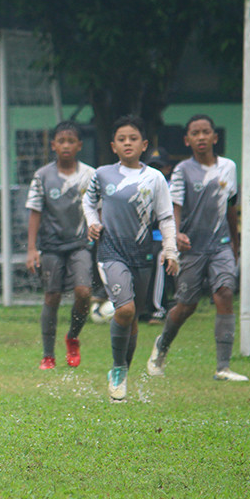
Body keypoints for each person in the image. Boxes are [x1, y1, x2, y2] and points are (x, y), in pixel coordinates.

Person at [83, 114, 179, 403]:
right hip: (111, 251)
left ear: (144, 144)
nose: (127, 143)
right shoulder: (101, 175)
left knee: (133, 316)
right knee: (124, 310)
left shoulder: (155, 178)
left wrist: (171, 251)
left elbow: (165, 216)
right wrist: (91, 222)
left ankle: (124, 370)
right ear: (113, 145)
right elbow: (88, 201)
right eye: (122, 139)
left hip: (143, 253)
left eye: (133, 139)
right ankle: (117, 369)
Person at [146, 114, 248, 382]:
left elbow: (231, 207)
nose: (201, 137)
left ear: (215, 137)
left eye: (206, 132)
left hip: (221, 245)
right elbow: (174, 207)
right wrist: (176, 234)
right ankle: (161, 346)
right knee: (186, 305)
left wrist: (235, 244)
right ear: (187, 140)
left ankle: (223, 367)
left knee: (224, 293)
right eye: (195, 133)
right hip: (192, 247)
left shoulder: (228, 167)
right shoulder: (182, 171)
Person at [25, 120, 96, 370]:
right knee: (52, 295)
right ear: (53, 145)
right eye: (61, 141)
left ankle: (73, 337)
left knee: (83, 292)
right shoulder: (42, 176)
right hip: (52, 246)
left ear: (79, 145)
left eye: (71, 141)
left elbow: (97, 209)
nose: (66, 145)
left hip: (80, 244)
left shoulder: (90, 175)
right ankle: (48, 355)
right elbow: (35, 211)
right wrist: (32, 248)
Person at [144, 148, 174, 324]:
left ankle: (158, 309)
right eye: (152, 167)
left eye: (160, 168)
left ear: (168, 169)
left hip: (162, 237)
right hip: (144, 237)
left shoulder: (172, 188)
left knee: (159, 256)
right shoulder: (143, 187)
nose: (156, 172)